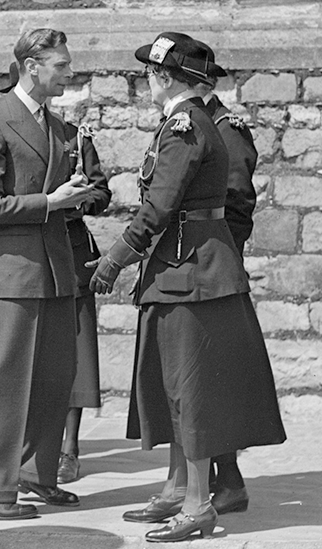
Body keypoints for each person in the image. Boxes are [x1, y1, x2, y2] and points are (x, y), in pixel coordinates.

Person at [89, 32, 286, 542]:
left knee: (190, 393)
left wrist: (115, 259)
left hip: (190, 273)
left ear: (163, 76)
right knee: (176, 389)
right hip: (183, 269)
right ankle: (182, 490)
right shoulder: (189, 121)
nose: (146, 84)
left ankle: (199, 504)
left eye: (150, 75)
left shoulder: (184, 126)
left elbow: (159, 207)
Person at [0, 28, 93, 521]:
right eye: (61, 66)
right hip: (12, 276)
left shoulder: (57, 126)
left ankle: (36, 476)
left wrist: (75, 194)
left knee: (53, 380)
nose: (69, 74)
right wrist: (51, 202)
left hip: (56, 272)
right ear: (32, 66)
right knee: (4, 384)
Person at [196, 42, 259, 515]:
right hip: (199, 269)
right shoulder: (194, 125)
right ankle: (220, 480)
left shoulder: (224, 129)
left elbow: (237, 203)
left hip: (216, 270)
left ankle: (230, 482)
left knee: (216, 377)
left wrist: (222, 256)